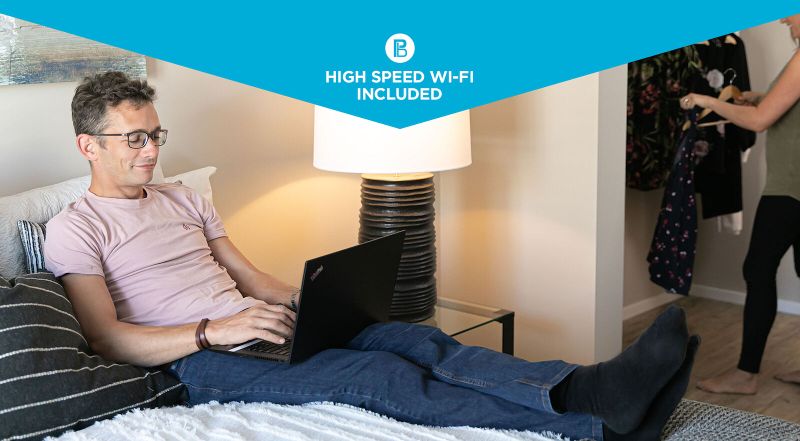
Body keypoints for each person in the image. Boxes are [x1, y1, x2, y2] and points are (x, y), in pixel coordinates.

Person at [44, 71, 700, 441]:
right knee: (381, 378)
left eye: (155, 134)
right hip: (199, 360)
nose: (151, 150)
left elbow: (248, 275)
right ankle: (596, 430)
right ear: (88, 145)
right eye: (134, 139)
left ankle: (589, 386)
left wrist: (309, 300)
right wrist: (216, 330)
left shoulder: (183, 197)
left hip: (255, 327)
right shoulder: (76, 229)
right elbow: (107, 338)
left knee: (411, 339)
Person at [680, 14, 800, 395]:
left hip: (791, 187)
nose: (783, 19)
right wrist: (759, 97)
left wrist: (708, 101)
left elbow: (760, 122)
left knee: (757, 269)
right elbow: (785, 105)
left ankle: (746, 374)